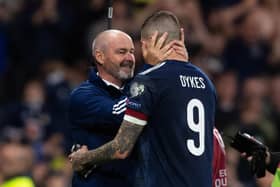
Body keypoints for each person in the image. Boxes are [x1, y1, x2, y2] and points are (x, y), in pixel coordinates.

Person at [70, 10, 217, 186]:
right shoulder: (205, 81)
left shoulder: (150, 80)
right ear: (182, 37)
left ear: (148, 43)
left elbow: (121, 148)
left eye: (134, 49)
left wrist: (85, 158)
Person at [68, 29, 179, 187]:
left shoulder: (137, 87)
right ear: (100, 56)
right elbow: (124, 112)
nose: (129, 58)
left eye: (132, 52)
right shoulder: (83, 96)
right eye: (121, 52)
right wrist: (153, 71)